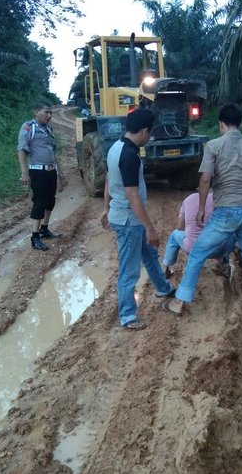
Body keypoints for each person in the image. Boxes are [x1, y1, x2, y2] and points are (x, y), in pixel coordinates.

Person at [160, 103, 242, 323]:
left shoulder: (213, 146)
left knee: (198, 253)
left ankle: (179, 302)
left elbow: (205, 178)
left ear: (221, 124)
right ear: (241, 124)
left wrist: (202, 208)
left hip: (226, 213)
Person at [100, 107, 175, 331]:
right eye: (150, 134)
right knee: (129, 270)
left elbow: (108, 180)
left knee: (149, 254)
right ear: (144, 131)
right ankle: (128, 315)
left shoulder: (116, 146)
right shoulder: (130, 155)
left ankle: (163, 287)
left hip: (123, 215)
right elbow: (132, 196)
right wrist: (150, 228)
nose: (149, 138)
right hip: (128, 220)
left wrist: (106, 208)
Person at [17, 102, 63, 251]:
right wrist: (24, 172)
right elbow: (22, 150)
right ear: (36, 112)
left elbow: (53, 151)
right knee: (40, 202)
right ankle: (34, 237)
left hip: (51, 171)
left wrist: (60, 172)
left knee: (51, 201)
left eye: (51, 113)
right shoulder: (29, 127)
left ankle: (44, 228)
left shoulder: (49, 129)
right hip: (38, 171)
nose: (49, 116)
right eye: (46, 112)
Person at [161, 190, 235, 279]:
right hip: (218, 250)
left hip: (193, 248)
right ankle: (224, 268)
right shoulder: (223, 201)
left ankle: (166, 270)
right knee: (227, 235)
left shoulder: (189, 199)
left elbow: (180, 227)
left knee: (175, 234)